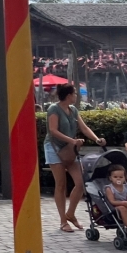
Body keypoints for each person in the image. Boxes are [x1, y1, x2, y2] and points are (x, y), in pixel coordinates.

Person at [44, 83, 106, 232]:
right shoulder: (54, 109)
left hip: (70, 149)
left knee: (80, 182)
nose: (76, 96)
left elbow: (84, 128)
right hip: (54, 148)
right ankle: (62, 221)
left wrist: (97, 139)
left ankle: (70, 214)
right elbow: (53, 130)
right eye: (75, 94)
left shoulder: (73, 110)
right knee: (61, 184)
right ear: (69, 95)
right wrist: (72, 140)